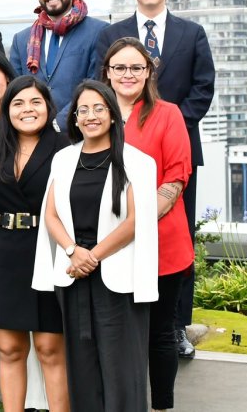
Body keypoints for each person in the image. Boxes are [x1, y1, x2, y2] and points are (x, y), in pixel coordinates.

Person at [93, 0, 214, 358]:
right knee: (116, 225)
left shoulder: (192, 32)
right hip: (117, 148)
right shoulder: (113, 33)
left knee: (178, 237)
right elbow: (99, 86)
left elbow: (203, 88)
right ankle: (127, 314)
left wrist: (167, 123)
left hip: (175, 151)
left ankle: (176, 325)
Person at [32, 80, 158, 412]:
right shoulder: (63, 159)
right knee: (81, 368)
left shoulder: (137, 161)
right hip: (74, 275)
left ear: (113, 116)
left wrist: (94, 256)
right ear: (74, 118)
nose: (91, 116)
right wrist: (74, 251)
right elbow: (51, 214)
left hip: (117, 279)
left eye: (99, 108)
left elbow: (135, 221)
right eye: (83, 110)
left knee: (121, 371)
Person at [0, 76, 69, 412]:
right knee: (9, 349)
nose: (27, 110)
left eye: (35, 102)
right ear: (7, 109)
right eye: (18, 103)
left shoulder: (66, 146)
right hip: (1, 255)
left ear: (48, 107)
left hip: (47, 253)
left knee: (50, 348)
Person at [100, 38, 192, 412]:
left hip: (160, 243)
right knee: (116, 333)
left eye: (136, 67)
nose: (127, 75)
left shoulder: (167, 113)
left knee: (159, 334)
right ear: (106, 71)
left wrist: (130, 226)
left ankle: (161, 407)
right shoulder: (92, 113)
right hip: (104, 245)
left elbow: (174, 179)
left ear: (149, 71)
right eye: (119, 68)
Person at [8, 0, 106, 129]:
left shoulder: (99, 31)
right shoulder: (21, 39)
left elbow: (95, 84)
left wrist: (58, 123)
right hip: (32, 133)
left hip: (79, 131)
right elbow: (15, 89)